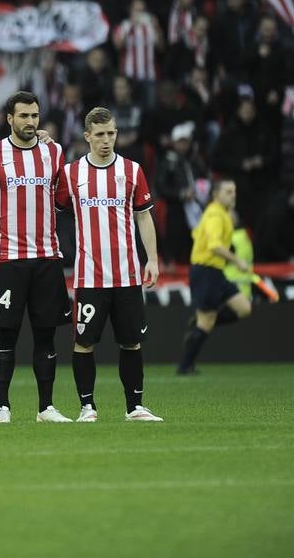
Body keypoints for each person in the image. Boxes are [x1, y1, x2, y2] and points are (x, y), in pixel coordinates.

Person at [0, 91, 74, 424]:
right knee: (6, 334)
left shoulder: (54, 152)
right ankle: (2, 406)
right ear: (9, 119)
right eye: (24, 116)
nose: (30, 122)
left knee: (46, 334)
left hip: (47, 257)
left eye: (34, 116)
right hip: (10, 258)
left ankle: (46, 407)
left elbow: (60, 201)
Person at [54, 107, 163, 422]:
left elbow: (144, 215)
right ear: (87, 136)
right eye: (99, 135)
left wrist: (152, 259)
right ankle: (87, 407)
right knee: (84, 342)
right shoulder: (71, 174)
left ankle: (135, 407)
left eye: (111, 134)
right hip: (89, 277)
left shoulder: (132, 171)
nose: (106, 141)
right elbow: (53, 211)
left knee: (131, 342)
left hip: (127, 275)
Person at [177, 179, 253, 376]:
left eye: (234, 191)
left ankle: (198, 324)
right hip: (206, 271)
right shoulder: (214, 214)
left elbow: (197, 235)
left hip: (216, 272)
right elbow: (214, 246)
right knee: (207, 321)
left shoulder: (222, 214)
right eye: (228, 191)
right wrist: (237, 260)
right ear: (216, 195)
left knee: (244, 308)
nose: (233, 195)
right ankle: (185, 367)